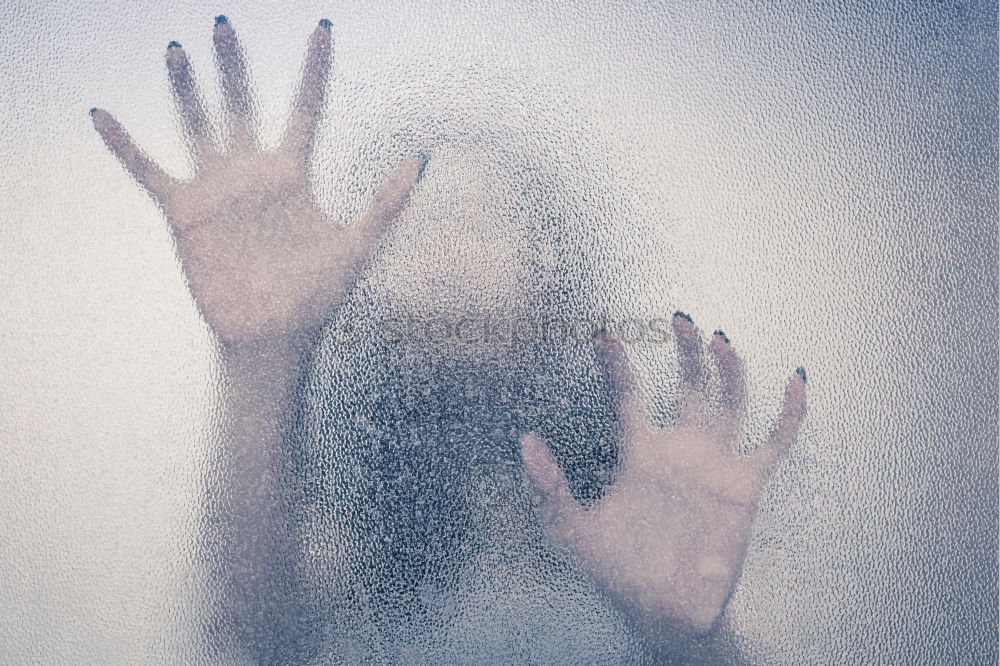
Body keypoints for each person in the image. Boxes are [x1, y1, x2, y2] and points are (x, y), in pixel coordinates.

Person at [91, 16, 806, 663]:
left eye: (480, 217)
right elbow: (253, 639)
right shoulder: (331, 443)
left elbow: (744, 617)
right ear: (361, 264)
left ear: (548, 252)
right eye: (412, 227)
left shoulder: (656, 446)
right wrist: (261, 362)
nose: (445, 250)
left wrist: (691, 641)